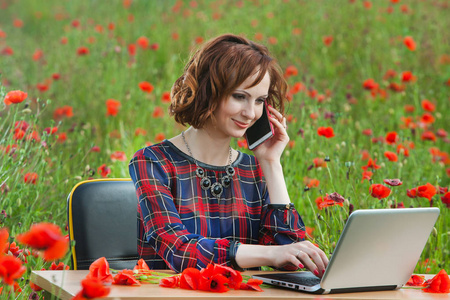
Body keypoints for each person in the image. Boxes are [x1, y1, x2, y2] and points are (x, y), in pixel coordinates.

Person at [129, 34, 329, 276]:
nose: (250, 113)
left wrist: (271, 163)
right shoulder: (153, 162)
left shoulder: (254, 170)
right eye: (239, 96)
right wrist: (268, 254)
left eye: (260, 101)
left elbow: (289, 257)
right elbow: (178, 250)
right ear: (207, 91)